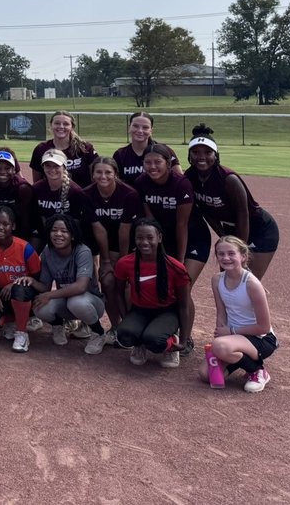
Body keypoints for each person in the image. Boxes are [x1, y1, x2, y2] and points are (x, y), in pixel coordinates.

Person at [133, 142, 209, 333]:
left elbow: (182, 224)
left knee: (184, 286)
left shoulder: (181, 183)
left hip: (193, 238)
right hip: (166, 238)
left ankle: (186, 337)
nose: (152, 167)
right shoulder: (141, 182)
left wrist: (180, 261)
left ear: (168, 163)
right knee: (164, 286)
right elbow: (150, 220)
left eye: (157, 162)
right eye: (148, 162)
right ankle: (166, 330)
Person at [187, 124, 280, 279]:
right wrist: (225, 237)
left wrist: (239, 249)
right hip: (231, 230)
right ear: (189, 155)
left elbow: (243, 214)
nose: (201, 157)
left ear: (216, 155)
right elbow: (206, 212)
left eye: (208, 152)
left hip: (258, 229)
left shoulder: (228, 179)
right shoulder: (190, 178)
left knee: (245, 280)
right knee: (229, 279)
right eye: (195, 152)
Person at [15, 214, 108, 354]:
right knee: (39, 305)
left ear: (72, 236)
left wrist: (49, 295)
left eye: (64, 231)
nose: (58, 234)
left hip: (91, 303)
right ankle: (58, 326)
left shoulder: (82, 251)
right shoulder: (47, 253)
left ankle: (99, 333)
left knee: (75, 301)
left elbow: (81, 287)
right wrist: (32, 281)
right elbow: (45, 287)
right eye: (54, 230)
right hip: (66, 302)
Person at [111, 219, 193, 369]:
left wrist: (183, 340)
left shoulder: (175, 267)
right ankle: (139, 344)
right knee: (124, 335)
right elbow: (118, 292)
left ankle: (171, 343)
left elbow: (183, 305)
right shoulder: (125, 263)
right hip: (140, 310)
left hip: (167, 311)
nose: (144, 242)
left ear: (159, 238)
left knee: (154, 340)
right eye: (139, 238)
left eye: (150, 237)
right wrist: (126, 319)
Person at [201, 236, 277, 392]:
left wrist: (230, 332)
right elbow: (221, 312)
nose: (225, 258)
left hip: (261, 339)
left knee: (220, 347)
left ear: (243, 256)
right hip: (233, 338)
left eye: (231, 253)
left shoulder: (252, 284)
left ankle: (257, 371)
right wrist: (220, 336)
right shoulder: (216, 280)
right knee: (205, 375)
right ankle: (239, 359)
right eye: (221, 254)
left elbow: (264, 327)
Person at [84, 156, 143, 344]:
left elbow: (124, 230)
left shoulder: (129, 194)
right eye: (99, 172)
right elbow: (98, 229)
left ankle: (131, 327)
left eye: (108, 172)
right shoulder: (87, 194)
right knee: (108, 281)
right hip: (105, 244)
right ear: (93, 174)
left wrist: (122, 264)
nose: (103, 176)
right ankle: (115, 328)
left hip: (127, 244)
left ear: (116, 174)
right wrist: (106, 262)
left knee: (127, 285)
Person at [0, 207, 41, 352]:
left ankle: (22, 334)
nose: (0, 227)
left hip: (26, 293)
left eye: (5, 224)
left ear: (13, 226)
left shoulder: (25, 248)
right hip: (3, 294)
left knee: (20, 289)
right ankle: (12, 320)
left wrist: (15, 283)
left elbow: (37, 278)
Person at [30, 150, 91, 250]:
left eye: (56, 166)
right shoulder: (36, 189)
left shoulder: (75, 191)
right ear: (43, 167)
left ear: (64, 167)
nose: (52, 169)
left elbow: (77, 223)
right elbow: (36, 218)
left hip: (67, 235)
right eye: (48, 166)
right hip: (44, 232)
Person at [30, 111, 97, 188]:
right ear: (51, 125)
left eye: (66, 124)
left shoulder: (85, 148)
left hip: (82, 194)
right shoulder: (41, 149)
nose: (61, 126)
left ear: (72, 127)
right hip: (52, 195)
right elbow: (37, 182)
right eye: (57, 123)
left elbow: (96, 177)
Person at [111, 112, 180, 184]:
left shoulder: (165, 151)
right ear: (129, 128)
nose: (140, 131)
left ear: (151, 130)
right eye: (135, 126)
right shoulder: (120, 154)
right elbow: (116, 183)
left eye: (145, 127)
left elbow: (179, 180)